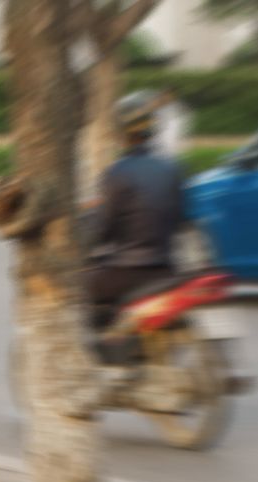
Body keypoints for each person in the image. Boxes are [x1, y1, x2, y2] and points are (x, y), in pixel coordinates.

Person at [88, 90, 188, 335]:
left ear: (121, 134)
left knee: (73, 290)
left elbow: (104, 227)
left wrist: (88, 243)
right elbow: (181, 220)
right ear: (152, 130)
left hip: (128, 272)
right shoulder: (173, 169)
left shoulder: (117, 172)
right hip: (168, 270)